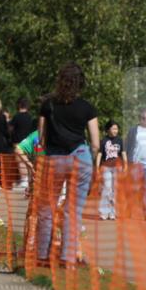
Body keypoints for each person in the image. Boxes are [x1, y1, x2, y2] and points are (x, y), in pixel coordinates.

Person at [36, 63, 99, 265]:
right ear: (80, 83)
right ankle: (68, 257)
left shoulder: (48, 105)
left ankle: (42, 255)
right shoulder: (87, 108)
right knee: (73, 210)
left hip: (54, 158)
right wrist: (93, 165)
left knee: (47, 207)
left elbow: (41, 138)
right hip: (81, 158)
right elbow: (96, 143)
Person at [97, 120, 125, 220]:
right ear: (108, 129)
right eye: (113, 128)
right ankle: (104, 212)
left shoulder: (120, 140)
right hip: (106, 167)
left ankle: (113, 212)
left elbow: (123, 153)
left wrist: (125, 166)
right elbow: (100, 154)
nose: (115, 130)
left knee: (115, 190)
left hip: (117, 167)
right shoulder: (103, 140)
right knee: (107, 188)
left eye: (117, 129)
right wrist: (97, 167)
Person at [10, 97, 37, 190]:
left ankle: (24, 180)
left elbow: (10, 129)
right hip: (28, 143)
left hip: (18, 142)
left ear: (19, 105)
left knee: (20, 161)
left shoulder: (17, 116)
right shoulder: (30, 117)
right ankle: (28, 180)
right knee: (28, 161)